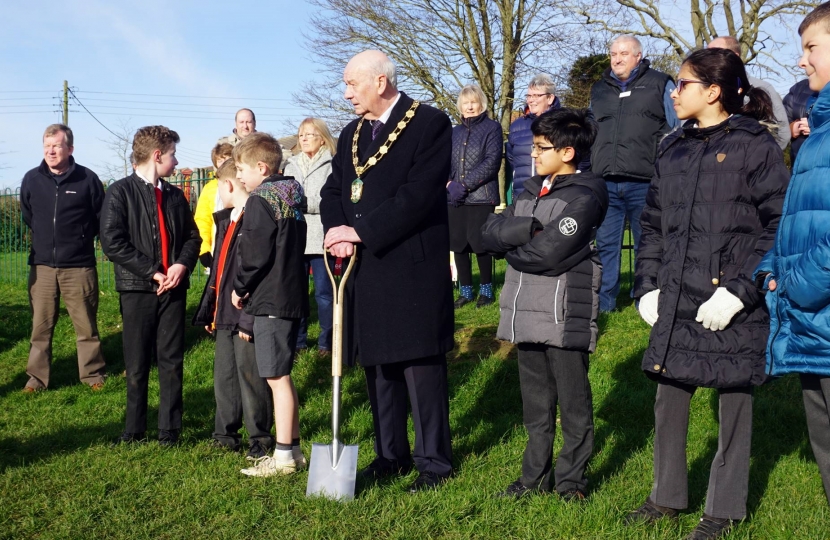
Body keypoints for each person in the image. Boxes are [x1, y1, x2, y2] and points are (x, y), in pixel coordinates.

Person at [625, 48, 788, 539]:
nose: (673, 92)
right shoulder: (671, 147)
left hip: (728, 301)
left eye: (682, 84)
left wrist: (741, 293)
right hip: (675, 294)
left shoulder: (755, 145)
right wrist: (646, 285)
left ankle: (724, 509)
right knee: (669, 397)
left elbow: (777, 223)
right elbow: (651, 224)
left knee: (734, 400)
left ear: (712, 92)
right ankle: (666, 497)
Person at [320, 50, 454, 492]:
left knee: (419, 365)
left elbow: (418, 195)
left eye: (351, 84)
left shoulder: (430, 124)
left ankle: (434, 461)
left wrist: (359, 231)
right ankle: (390, 454)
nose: (346, 93)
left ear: (379, 82)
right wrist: (337, 228)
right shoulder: (351, 131)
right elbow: (333, 189)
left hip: (411, 265)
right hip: (365, 267)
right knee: (378, 366)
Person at [481, 109, 608, 501]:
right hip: (525, 311)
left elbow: (547, 255)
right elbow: (488, 232)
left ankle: (571, 482)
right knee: (536, 406)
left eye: (541, 148)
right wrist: (525, 232)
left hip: (563, 312)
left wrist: (515, 245)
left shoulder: (587, 194)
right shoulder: (528, 188)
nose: (533, 154)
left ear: (567, 151)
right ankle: (532, 477)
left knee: (573, 402)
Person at [755, 1, 830, 507]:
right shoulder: (818, 130)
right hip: (813, 321)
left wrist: (795, 285)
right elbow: (800, 221)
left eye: (811, 47)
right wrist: (770, 270)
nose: (802, 61)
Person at [100, 126, 201, 446]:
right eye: (173, 154)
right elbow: (112, 242)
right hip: (138, 289)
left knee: (171, 360)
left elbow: (192, 237)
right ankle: (134, 430)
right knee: (137, 361)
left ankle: (169, 430)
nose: (176, 160)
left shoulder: (174, 196)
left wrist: (181, 266)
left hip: (173, 290)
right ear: (157, 155)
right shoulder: (119, 192)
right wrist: (152, 272)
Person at [230, 133, 309, 477]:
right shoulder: (291, 194)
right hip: (291, 293)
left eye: (242, 169)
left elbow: (254, 254)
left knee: (276, 378)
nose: (239, 177)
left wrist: (239, 287)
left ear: (262, 167)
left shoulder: (261, 200)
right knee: (283, 377)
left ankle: (282, 458)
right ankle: (294, 450)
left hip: (271, 298)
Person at [192, 159, 275, 460]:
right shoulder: (225, 220)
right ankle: (224, 435)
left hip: (247, 310)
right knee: (224, 375)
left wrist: (249, 313)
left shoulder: (254, 218)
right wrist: (210, 308)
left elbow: (257, 268)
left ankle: (260, 439)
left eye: (217, 183)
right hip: (223, 312)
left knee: (250, 375)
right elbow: (219, 270)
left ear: (227, 185)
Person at [591, 35, 680, 313]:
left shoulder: (659, 83)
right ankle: (605, 304)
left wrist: (662, 163)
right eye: (613, 54)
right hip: (606, 181)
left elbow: (676, 125)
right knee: (606, 244)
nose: (617, 59)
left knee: (648, 244)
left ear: (638, 56)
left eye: (624, 53)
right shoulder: (599, 89)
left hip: (645, 180)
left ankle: (647, 300)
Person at [19, 124, 107, 392]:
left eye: (56, 145)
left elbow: (98, 218)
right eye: (47, 146)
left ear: (70, 148)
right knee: (40, 328)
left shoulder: (88, 180)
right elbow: (28, 215)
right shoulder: (31, 179)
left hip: (79, 267)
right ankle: (36, 379)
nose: (51, 150)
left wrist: (79, 240)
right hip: (43, 267)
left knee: (86, 327)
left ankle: (93, 375)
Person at [283, 118, 336, 354]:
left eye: (309, 134)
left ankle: (328, 342)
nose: (303, 139)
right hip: (296, 236)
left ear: (322, 138)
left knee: (325, 294)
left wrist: (306, 203)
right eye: (300, 134)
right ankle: (299, 342)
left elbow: (331, 200)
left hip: (321, 236)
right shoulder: (290, 164)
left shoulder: (332, 164)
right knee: (297, 293)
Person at [447, 84, 503, 308]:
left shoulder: (492, 128)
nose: (469, 106)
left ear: (481, 103)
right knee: (458, 244)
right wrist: (450, 184)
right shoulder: (454, 132)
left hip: (481, 196)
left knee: (481, 244)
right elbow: (444, 161)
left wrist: (464, 185)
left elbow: (491, 162)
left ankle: (487, 289)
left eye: (473, 102)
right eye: (465, 102)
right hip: (454, 198)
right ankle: (466, 290)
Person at [708, 36, 790, 149]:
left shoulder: (763, 88)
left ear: (734, 57)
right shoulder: (701, 90)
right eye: (707, 53)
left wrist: (758, 160)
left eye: (715, 53)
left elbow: (782, 132)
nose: (707, 59)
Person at [506, 74, 561, 201]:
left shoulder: (563, 123)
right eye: (529, 96)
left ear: (550, 98)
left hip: (554, 195)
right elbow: (512, 159)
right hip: (522, 195)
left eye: (536, 95)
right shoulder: (516, 126)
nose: (531, 100)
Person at [193, 142, 234, 270]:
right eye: (220, 160)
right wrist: (204, 249)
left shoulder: (243, 184)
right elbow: (203, 220)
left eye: (227, 159)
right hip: (216, 246)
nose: (223, 164)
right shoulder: (209, 188)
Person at [783, 78, 816, 163]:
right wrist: (794, 128)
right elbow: (780, 124)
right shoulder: (799, 88)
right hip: (800, 162)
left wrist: (817, 127)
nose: (802, 64)